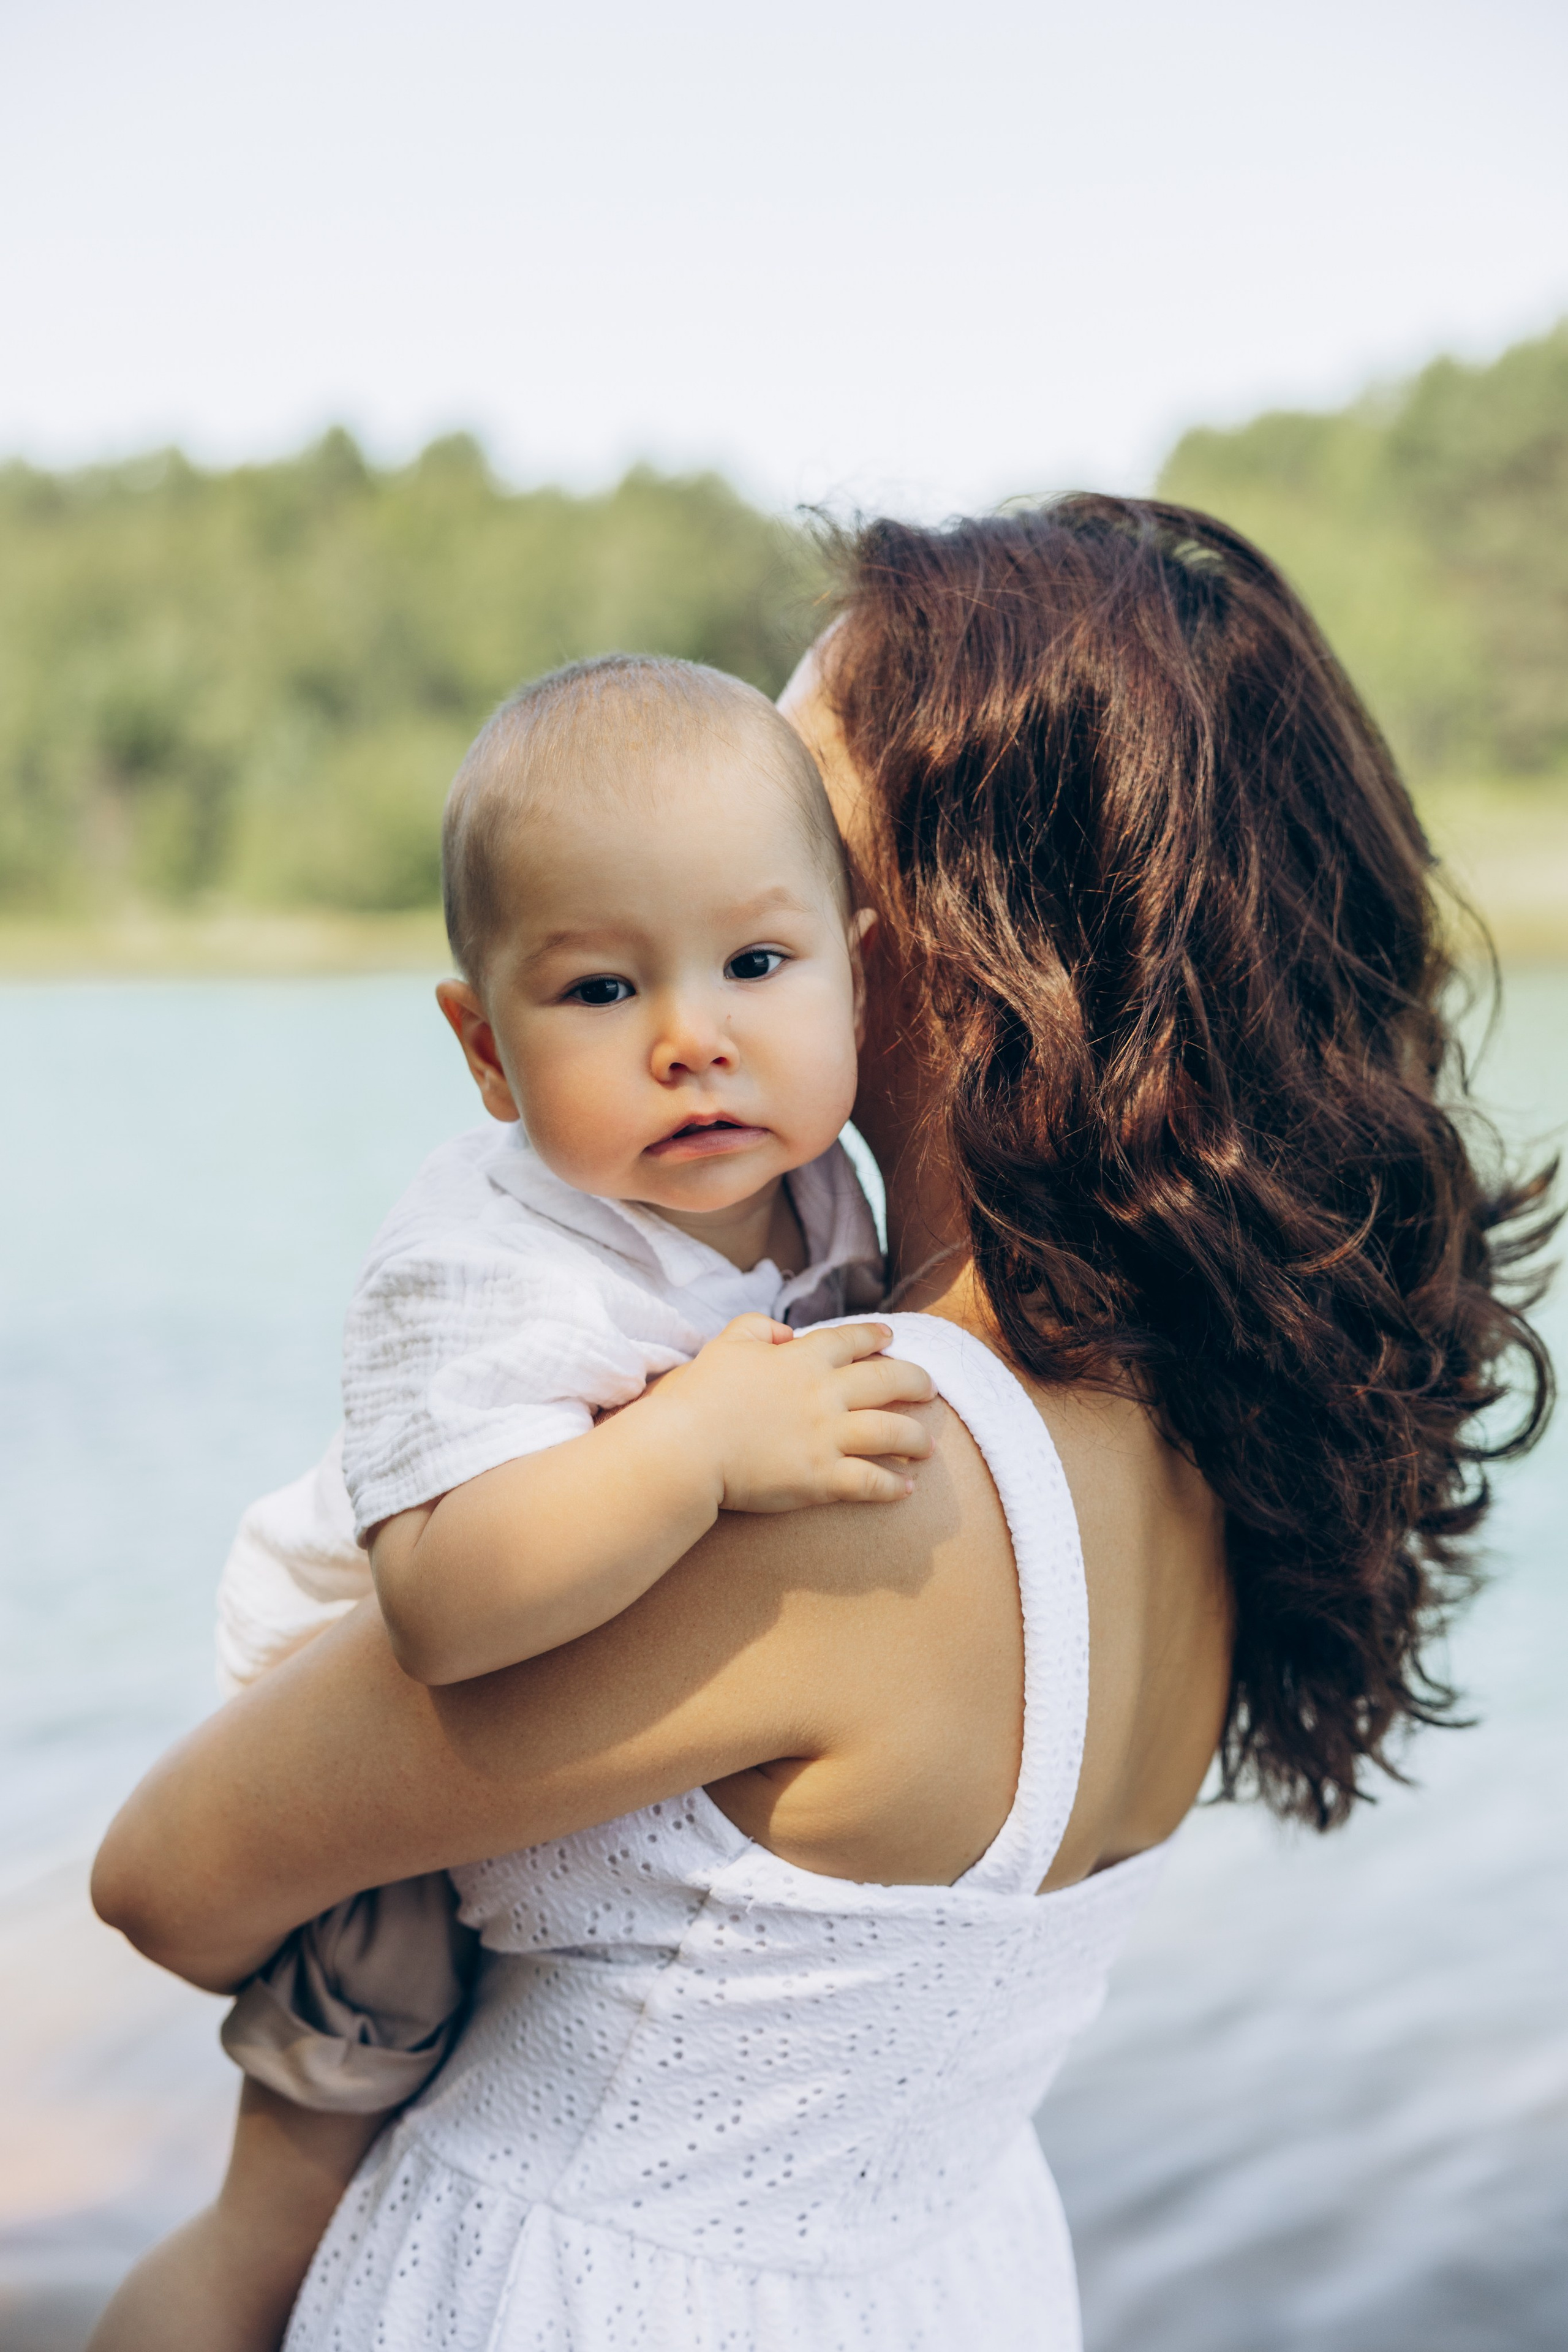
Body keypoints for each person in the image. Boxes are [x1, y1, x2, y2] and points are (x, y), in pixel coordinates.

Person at [91, 497, 1553, 2352]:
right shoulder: (1205, 1434)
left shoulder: (851, 1455)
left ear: (928, 934)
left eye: (780, 835)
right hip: (949, 2277)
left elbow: (168, 1871)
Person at [92, 650, 937, 2346]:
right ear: (484, 1048)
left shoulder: (817, 1185)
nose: (695, 1037)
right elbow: (449, 1602)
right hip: (362, 1719)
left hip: (570, 1744)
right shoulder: (492, 1263)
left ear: (856, 981)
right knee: (294, 2202)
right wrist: (700, 1449)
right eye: (601, 994)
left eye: (756, 964)